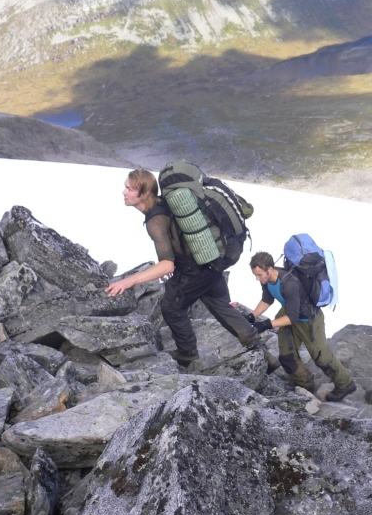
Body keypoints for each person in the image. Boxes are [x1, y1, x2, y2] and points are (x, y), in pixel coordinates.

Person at [105, 168, 277, 369]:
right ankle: (263, 352)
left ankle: (187, 354)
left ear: (143, 193)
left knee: (171, 307)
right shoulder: (166, 202)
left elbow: (166, 264)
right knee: (221, 307)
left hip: (194, 270)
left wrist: (129, 281)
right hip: (212, 262)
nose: (124, 192)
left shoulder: (155, 221)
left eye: (129, 189)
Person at [247, 251, 357, 402]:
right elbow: (267, 299)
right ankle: (305, 384)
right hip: (289, 314)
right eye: (256, 275)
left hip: (309, 320)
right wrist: (252, 316)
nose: (258, 279)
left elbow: (291, 318)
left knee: (322, 358)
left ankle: (346, 384)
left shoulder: (289, 283)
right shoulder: (266, 280)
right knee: (286, 356)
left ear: (270, 269)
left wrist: (266, 324)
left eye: (259, 275)